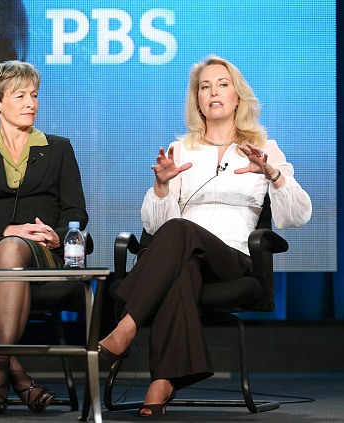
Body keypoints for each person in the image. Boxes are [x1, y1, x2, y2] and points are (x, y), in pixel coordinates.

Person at [97, 56, 312, 417]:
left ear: (237, 97)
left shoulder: (265, 148)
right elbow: (156, 226)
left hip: (233, 260)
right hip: (184, 255)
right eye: (205, 86)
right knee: (182, 258)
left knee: (181, 230)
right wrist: (162, 186)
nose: (214, 92)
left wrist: (271, 173)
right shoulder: (181, 150)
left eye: (223, 84)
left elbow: (298, 215)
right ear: (197, 100)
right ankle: (162, 382)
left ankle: (126, 327)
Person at [0, 60, 88, 415]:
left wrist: (56, 236)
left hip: (37, 248)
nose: (31, 103)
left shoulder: (58, 148)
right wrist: (7, 229)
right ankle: (18, 376)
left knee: (11, 248)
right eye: (20, 95)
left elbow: (76, 211)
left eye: (34, 95)